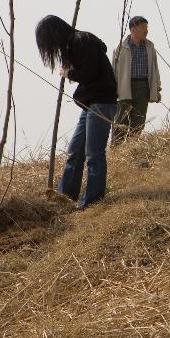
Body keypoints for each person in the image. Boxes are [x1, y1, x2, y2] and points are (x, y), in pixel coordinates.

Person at [36, 16, 119, 210]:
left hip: (101, 102)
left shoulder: (82, 40)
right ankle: (65, 197)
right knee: (75, 150)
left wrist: (69, 74)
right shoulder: (72, 45)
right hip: (91, 104)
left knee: (93, 154)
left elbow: (89, 73)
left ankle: (92, 201)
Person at [110, 15, 162, 145]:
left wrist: (157, 88)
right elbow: (113, 71)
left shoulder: (150, 46)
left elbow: (155, 69)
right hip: (125, 87)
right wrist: (112, 89)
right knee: (121, 120)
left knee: (139, 119)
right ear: (133, 29)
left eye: (146, 27)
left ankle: (132, 147)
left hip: (143, 86)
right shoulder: (120, 48)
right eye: (143, 27)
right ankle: (117, 149)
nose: (146, 31)